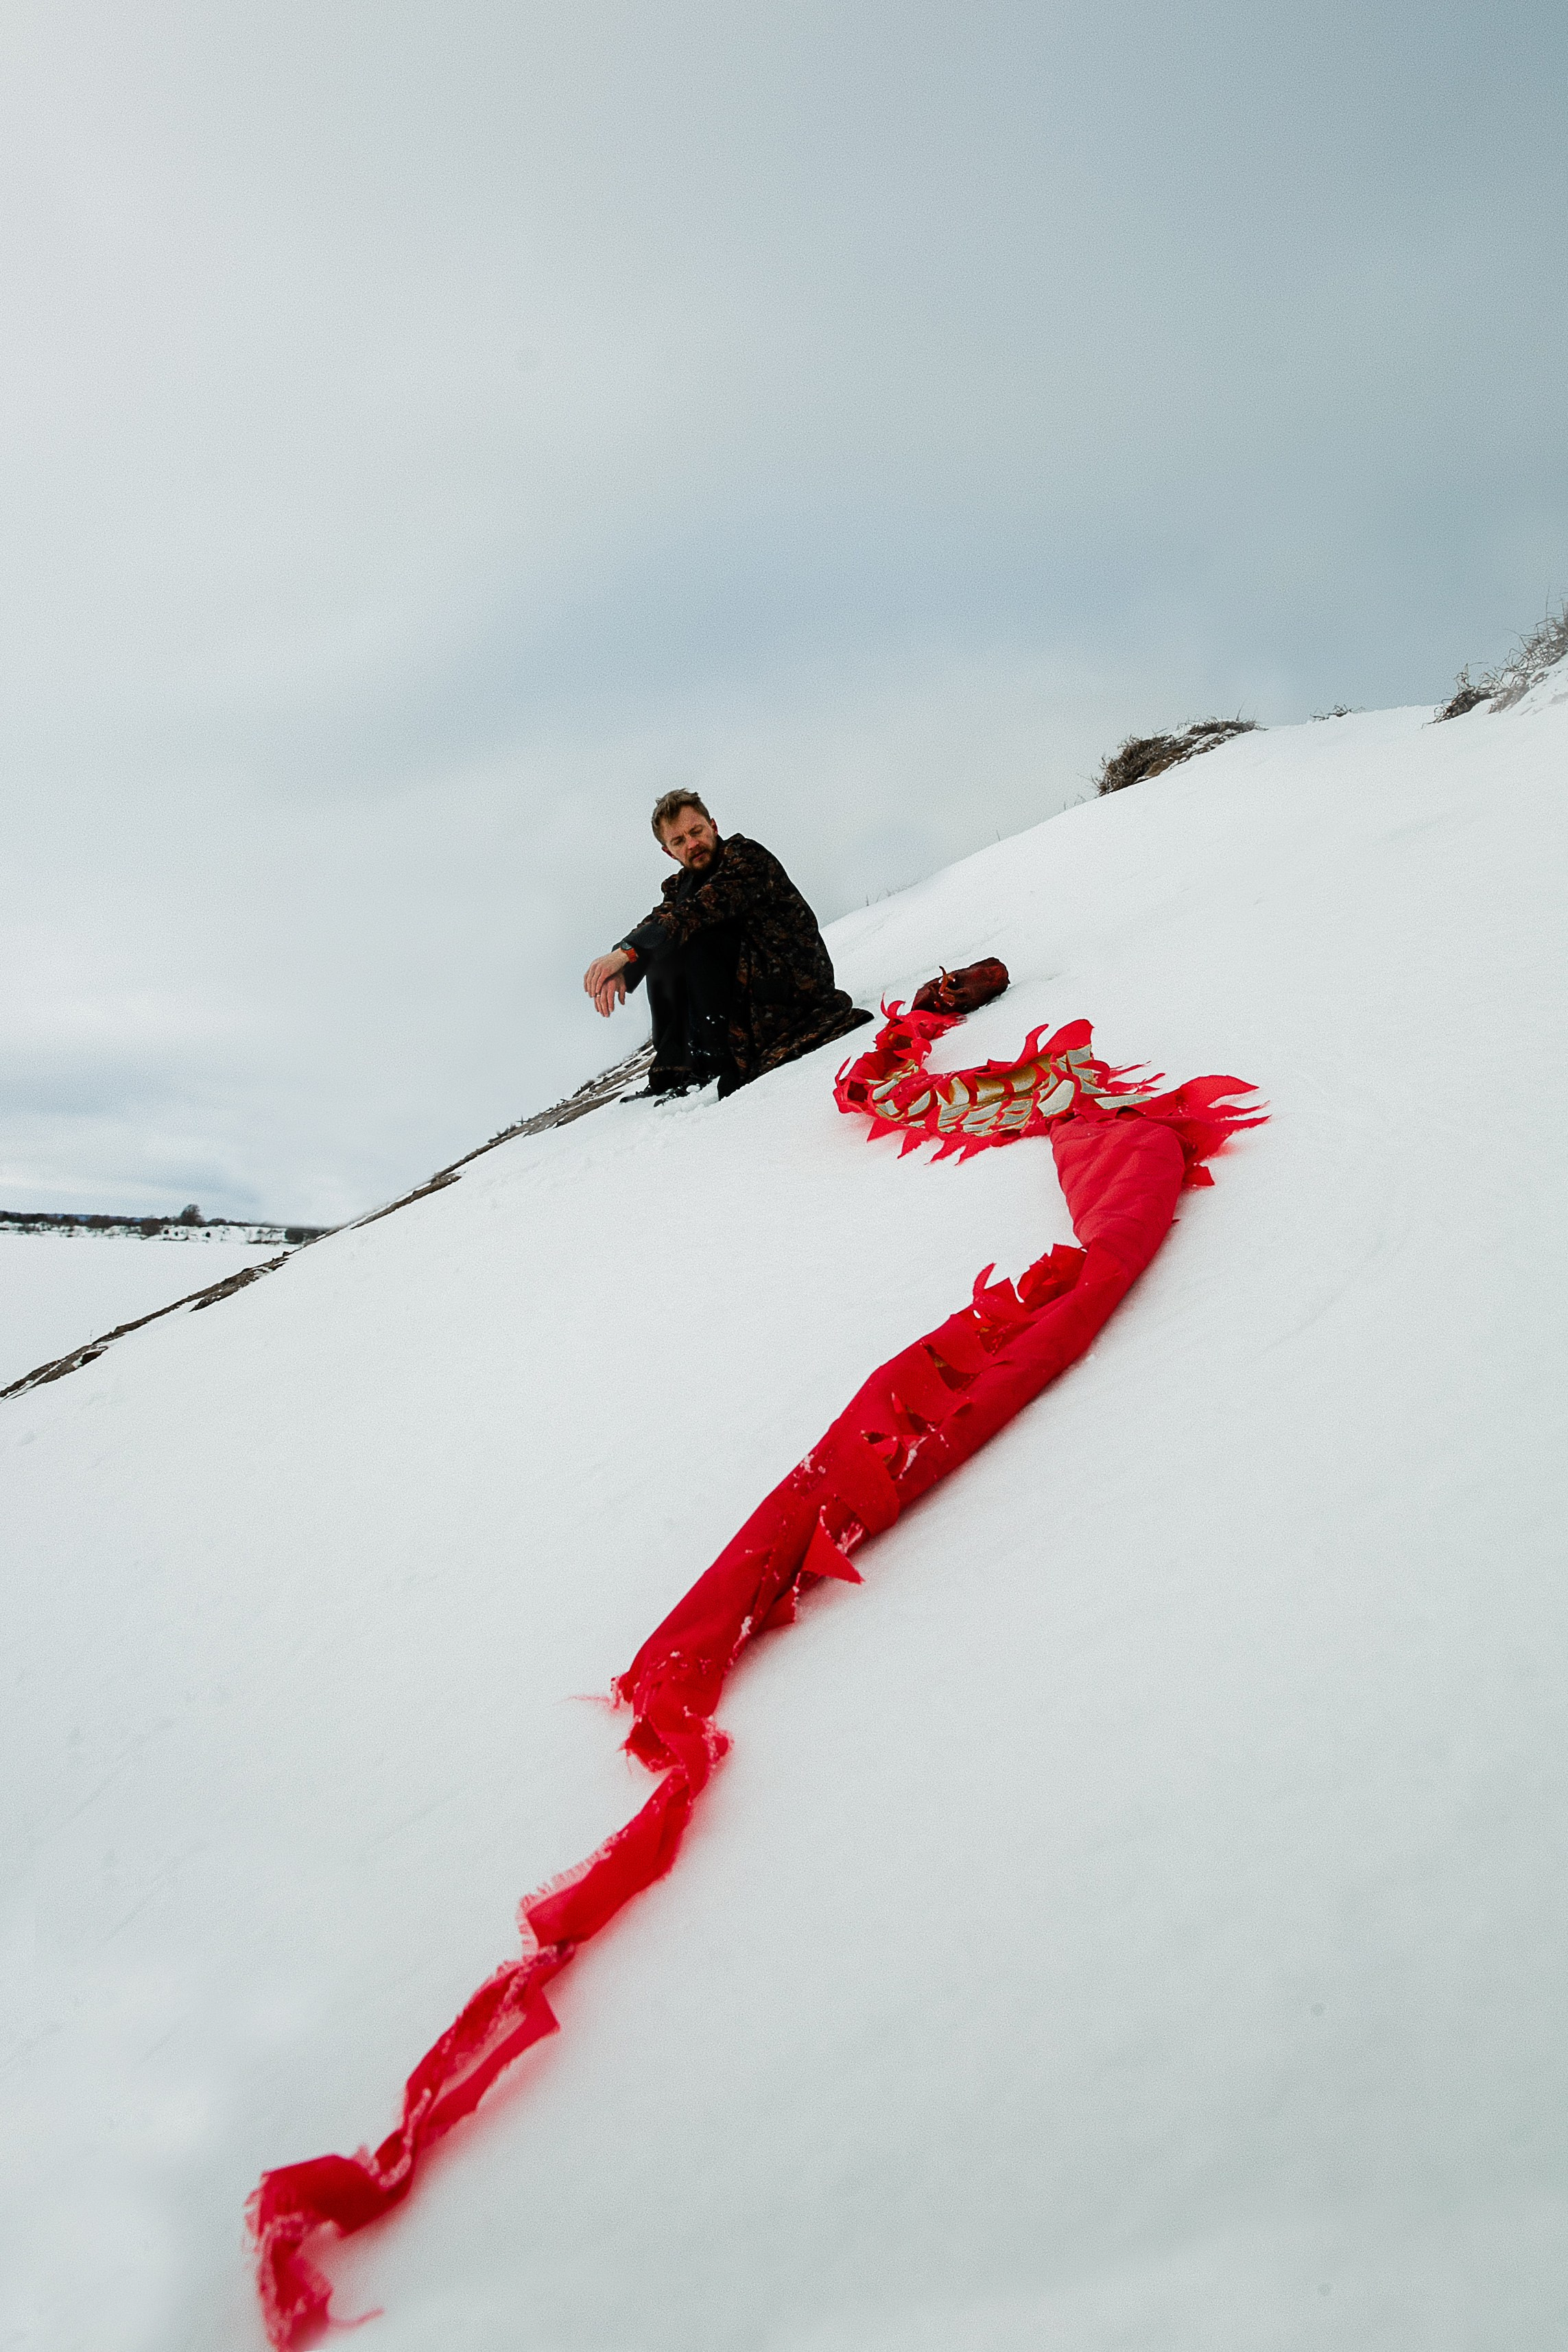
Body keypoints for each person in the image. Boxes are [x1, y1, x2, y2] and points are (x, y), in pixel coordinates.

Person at [582, 792, 870, 1096]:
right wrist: (624, 960)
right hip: (748, 993)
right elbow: (659, 921)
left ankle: (716, 1060)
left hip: (793, 990)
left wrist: (630, 952)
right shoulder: (681, 886)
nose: (692, 844)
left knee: (697, 937)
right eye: (679, 841)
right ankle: (675, 1070)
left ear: (713, 826)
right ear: (669, 852)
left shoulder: (746, 858)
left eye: (696, 831)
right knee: (661, 949)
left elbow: (697, 912)